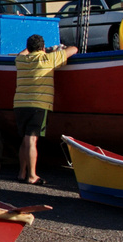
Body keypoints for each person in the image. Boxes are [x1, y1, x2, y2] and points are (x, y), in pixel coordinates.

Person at [13, 34, 77, 185]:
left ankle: (22, 173)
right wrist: (53, 49)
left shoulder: (20, 60)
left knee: (25, 138)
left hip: (20, 105)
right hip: (39, 105)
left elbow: (22, 53)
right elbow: (74, 49)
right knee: (31, 139)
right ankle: (32, 175)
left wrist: (35, 49)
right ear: (42, 48)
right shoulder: (48, 59)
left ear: (28, 48)